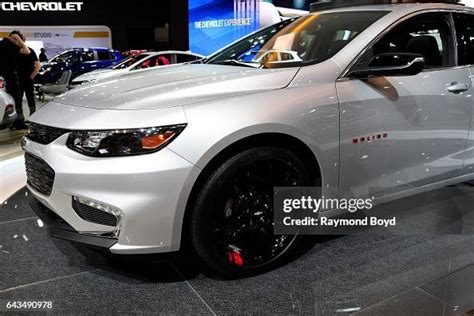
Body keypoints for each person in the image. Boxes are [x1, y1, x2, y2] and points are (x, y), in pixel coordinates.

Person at [0, 30, 30, 130]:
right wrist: (19, 40)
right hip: (11, 78)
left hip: (3, 78)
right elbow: (27, 51)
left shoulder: (2, 44)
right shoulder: (10, 45)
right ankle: (18, 123)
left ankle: (11, 123)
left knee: (8, 101)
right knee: (17, 101)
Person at [18, 34, 41, 121]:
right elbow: (38, 65)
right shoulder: (15, 51)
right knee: (24, 99)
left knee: (28, 98)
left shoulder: (29, 51)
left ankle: (28, 119)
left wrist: (31, 77)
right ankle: (24, 120)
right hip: (22, 79)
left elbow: (38, 65)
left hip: (23, 79)